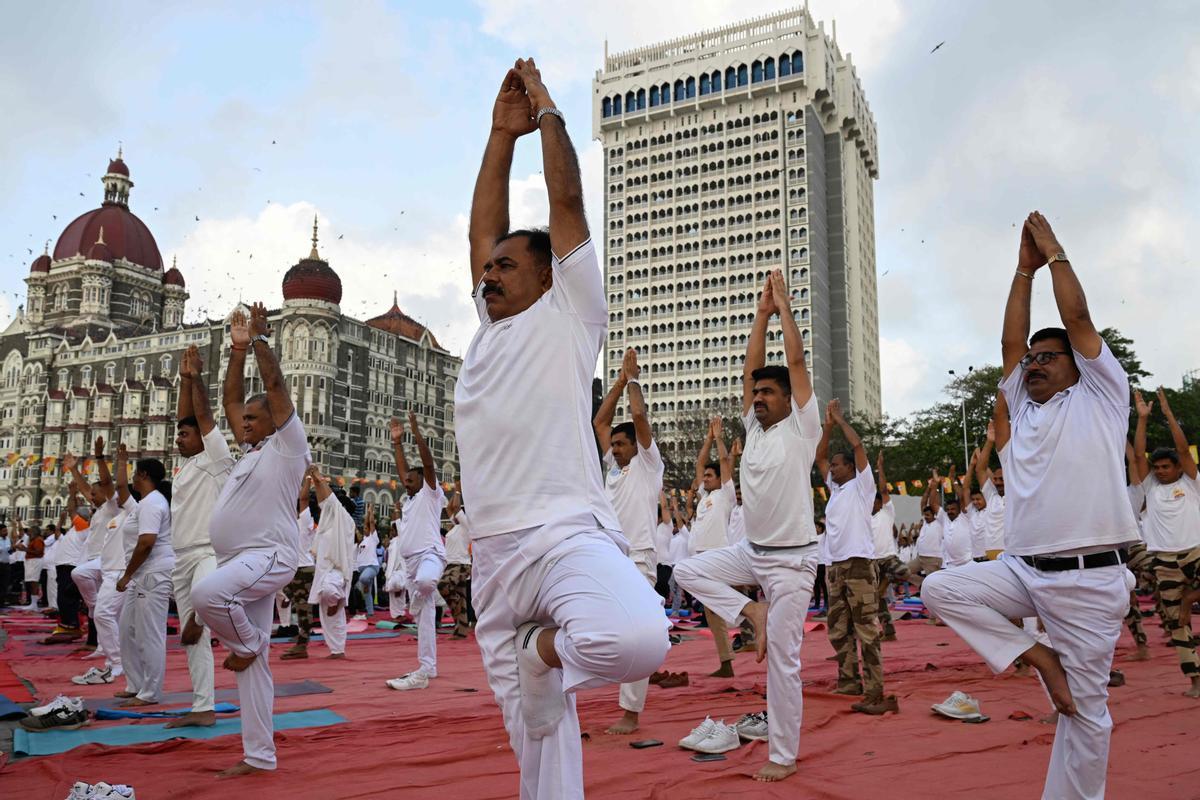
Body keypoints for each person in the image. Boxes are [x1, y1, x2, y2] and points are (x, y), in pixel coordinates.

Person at [458, 58, 668, 799]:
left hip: (563, 536)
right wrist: (496, 135)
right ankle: (536, 659)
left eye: (507, 266)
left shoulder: (572, 315)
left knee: (638, 637)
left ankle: (541, 649)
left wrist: (546, 115)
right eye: (487, 269)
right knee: (539, 751)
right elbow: (484, 225)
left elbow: (567, 199)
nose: (489, 275)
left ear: (548, 275)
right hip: (495, 562)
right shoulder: (489, 328)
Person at [922, 212, 1139, 799]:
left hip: (1089, 581)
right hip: (1022, 570)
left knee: (1084, 716)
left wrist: (1054, 253)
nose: (1034, 364)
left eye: (1049, 358)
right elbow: (1009, 346)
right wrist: (1022, 271)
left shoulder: (1101, 397)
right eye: (1032, 361)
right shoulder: (1023, 408)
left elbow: (1078, 319)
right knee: (940, 589)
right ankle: (1039, 657)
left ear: (1079, 367)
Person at [675, 268, 821, 782]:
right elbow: (748, 368)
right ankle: (748, 612)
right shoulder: (754, 431)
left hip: (792, 564)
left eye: (767, 394)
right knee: (688, 573)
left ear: (788, 400)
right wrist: (758, 316)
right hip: (752, 554)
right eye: (755, 394)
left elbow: (796, 362)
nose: (758, 398)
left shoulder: (803, 429)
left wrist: (781, 311)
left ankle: (781, 756)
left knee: (784, 663)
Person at [192, 302, 310, 778]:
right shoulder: (249, 454)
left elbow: (276, 388)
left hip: (269, 556)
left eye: (254, 418)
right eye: (244, 419)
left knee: (206, 594)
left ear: (275, 421)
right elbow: (228, 402)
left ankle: (251, 643)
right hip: (243, 562)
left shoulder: (289, 446)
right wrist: (237, 350)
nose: (244, 421)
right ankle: (259, 755)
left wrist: (261, 340)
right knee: (255, 669)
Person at [592, 347, 667, 735]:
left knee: (636, 631)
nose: (615, 449)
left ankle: (631, 712)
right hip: (607, 561)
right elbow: (600, 421)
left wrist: (633, 379)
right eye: (614, 445)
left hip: (639, 559)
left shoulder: (648, 465)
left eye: (621, 445)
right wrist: (618, 381)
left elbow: (638, 417)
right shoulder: (613, 470)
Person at [165, 345, 234, 727]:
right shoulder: (188, 466)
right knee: (192, 642)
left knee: (202, 608)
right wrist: (184, 378)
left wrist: (197, 379)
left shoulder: (215, 458)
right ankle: (203, 707)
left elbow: (202, 416)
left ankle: (204, 617)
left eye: (185, 435)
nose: (179, 438)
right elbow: (187, 418)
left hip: (209, 553)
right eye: (178, 435)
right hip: (182, 557)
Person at [817, 398, 897, 715]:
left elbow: (859, 445)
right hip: (835, 567)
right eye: (833, 466)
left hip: (860, 566)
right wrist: (826, 427)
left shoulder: (862, 486)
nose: (832, 468)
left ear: (850, 468)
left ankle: (876, 691)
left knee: (866, 628)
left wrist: (840, 420)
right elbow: (819, 456)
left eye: (838, 465)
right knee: (839, 630)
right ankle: (849, 681)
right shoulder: (835, 491)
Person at [1132, 388, 1200, 697]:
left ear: (1176, 468)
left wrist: (1168, 413)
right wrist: (1142, 419)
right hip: (1165, 561)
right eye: (1156, 467)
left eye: (1165, 467)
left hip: (1195, 553)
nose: (1160, 471)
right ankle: (1195, 680)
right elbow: (1137, 455)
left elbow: (1184, 451)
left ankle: (1189, 599)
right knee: (1176, 625)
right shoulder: (1152, 489)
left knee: (1183, 607)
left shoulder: (1190, 482)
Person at [385, 412, 447, 691]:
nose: (405, 481)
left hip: (430, 556)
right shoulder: (409, 501)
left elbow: (427, 463)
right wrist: (397, 443)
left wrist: (415, 430)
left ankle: (426, 592)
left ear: (422, 481)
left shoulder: (430, 494)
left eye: (410, 479)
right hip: (410, 564)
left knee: (425, 584)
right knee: (424, 618)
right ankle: (428, 667)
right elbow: (403, 470)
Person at [113, 448, 175, 708]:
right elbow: (120, 487)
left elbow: (146, 542)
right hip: (141, 575)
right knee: (127, 630)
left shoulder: (153, 503)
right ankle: (136, 684)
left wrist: (127, 574)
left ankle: (150, 692)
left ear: (143, 475)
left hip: (152, 574)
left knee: (150, 634)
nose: (131, 481)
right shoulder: (144, 503)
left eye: (134, 475)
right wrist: (122, 462)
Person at [68, 443, 124, 685]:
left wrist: (101, 458)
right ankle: (104, 648)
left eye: (95, 492)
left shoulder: (113, 507)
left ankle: (116, 659)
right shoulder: (99, 510)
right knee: (105, 614)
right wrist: (73, 470)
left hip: (107, 561)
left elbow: (106, 485)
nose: (90, 496)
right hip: (96, 561)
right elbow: (85, 490)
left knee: (80, 577)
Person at [689, 418, 738, 676]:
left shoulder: (725, 495)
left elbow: (723, 462)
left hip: (718, 556)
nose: (705, 478)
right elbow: (699, 463)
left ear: (720, 479)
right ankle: (726, 662)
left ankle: (753, 620)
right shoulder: (704, 496)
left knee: (718, 608)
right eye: (705, 477)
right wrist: (707, 438)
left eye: (710, 476)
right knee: (713, 610)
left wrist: (719, 439)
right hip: (699, 559)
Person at [306, 466, 356, 659]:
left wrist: (319, 477)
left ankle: (339, 598)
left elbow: (331, 501)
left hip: (337, 571)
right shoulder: (328, 522)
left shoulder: (345, 522)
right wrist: (315, 482)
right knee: (326, 612)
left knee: (329, 594)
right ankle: (336, 650)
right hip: (324, 570)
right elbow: (324, 501)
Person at [871, 452, 910, 642]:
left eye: (874, 500)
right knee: (877, 600)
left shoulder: (887, 512)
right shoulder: (864, 518)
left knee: (905, 572)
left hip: (888, 558)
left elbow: (884, 489)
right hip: (872, 562)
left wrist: (880, 467)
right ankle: (889, 632)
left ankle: (887, 580)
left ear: (879, 502)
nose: (871, 504)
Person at [280, 478, 318, 660]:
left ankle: (302, 645)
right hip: (294, 570)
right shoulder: (290, 524)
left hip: (304, 570)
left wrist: (307, 479)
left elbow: (303, 500)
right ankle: (302, 637)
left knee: (304, 608)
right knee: (297, 605)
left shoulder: (304, 521)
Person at [438, 484, 473, 638]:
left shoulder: (467, 526)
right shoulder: (455, 527)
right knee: (461, 596)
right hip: (451, 565)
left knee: (443, 586)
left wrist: (458, 489)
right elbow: (449, 508)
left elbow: (456, 506)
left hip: (461, 565)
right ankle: (461, 630)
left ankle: (459, 612)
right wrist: (454, 492)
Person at [974, 420, 1007, 560]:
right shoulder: (991, 496)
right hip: (990, 552)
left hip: (1010, 552)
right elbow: (980, 470)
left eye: (1002, 479)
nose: (998, 482)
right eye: (996, 479)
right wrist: (989, 441)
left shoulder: (1016, 494)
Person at [352, 511, 380, 619]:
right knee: (366, 592)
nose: (364, 529)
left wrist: (370, 512)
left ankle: (366, 584)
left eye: (366, 528)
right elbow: (366, 523)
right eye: (364, 528)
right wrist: (366, 517)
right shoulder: (362, 541)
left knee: (363, 579)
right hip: (363, 569)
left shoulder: (373, 538)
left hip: (372, 567)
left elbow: (371, 523)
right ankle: (370, 612)